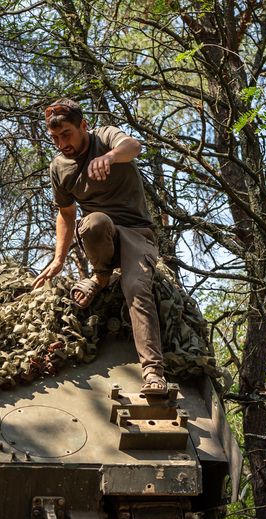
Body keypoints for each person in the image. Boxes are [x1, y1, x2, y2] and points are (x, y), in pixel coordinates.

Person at [31, 98, 168, 395]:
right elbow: (66, 215)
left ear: (83, 126)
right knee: (92, 222)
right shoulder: (58, 168)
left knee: (135, 288)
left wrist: (110, 157)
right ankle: (101, 276)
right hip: (102, 235)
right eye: (54, 138)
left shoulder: (105, 137)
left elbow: (133, 146)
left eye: (66, 134)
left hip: (136, 234)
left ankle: (153, 372)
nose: (60, 143)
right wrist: (58, 260)